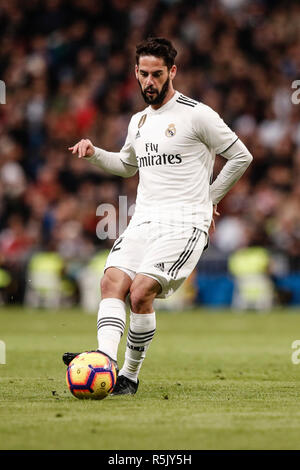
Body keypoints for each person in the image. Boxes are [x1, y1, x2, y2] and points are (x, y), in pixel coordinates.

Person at [63, 37, 253, 395]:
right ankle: (104, 361)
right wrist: (93, 153)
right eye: (144, 74)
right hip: (144, 219)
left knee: (140, 292)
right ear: (135, 73)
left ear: (172, 72)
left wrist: (208, 199)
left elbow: (241, 156)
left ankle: (129, 377)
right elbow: (126, 165)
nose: (149, 82)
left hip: (184, 223)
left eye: (157, 74)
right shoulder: (138, 121)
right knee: (111, 282)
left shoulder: (197, 114)